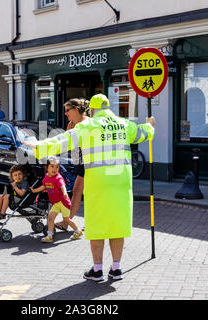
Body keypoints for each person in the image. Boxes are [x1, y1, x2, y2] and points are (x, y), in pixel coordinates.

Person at [23, 93, 155, 281]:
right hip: (121, 185)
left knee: (98, 227)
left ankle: (97, 270)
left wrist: (38, 146)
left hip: (99, 185)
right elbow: (144, 132)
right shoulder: (124, 124)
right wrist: (150, 124)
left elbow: (62, 141)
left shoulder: (88, 126)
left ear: (92, 110)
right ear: (109, 108)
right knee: (117, 226)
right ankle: (116, 268)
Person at [30, 156, 83, 243]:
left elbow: (62, 186)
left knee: (66, 219)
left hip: (63, 202)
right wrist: (35, 190)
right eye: (52, 167)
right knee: (50, 218)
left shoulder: (58, 178)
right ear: (46, 168)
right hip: (56, 203)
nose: (55, 169)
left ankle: (78, 230)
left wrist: (65, 193)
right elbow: (44, 186)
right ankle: (49, 236)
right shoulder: (46, 177)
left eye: (57, 167)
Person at [55, 98, 88, 232]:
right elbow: (73, 149)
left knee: (80, 191)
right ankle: (66, 222)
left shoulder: (86, 123)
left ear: (76, 109)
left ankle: (66, 222)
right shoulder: (72, 125)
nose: (66, 113)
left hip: (91, 162)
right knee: (77, 191)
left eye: (68, 110)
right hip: (82, 162)